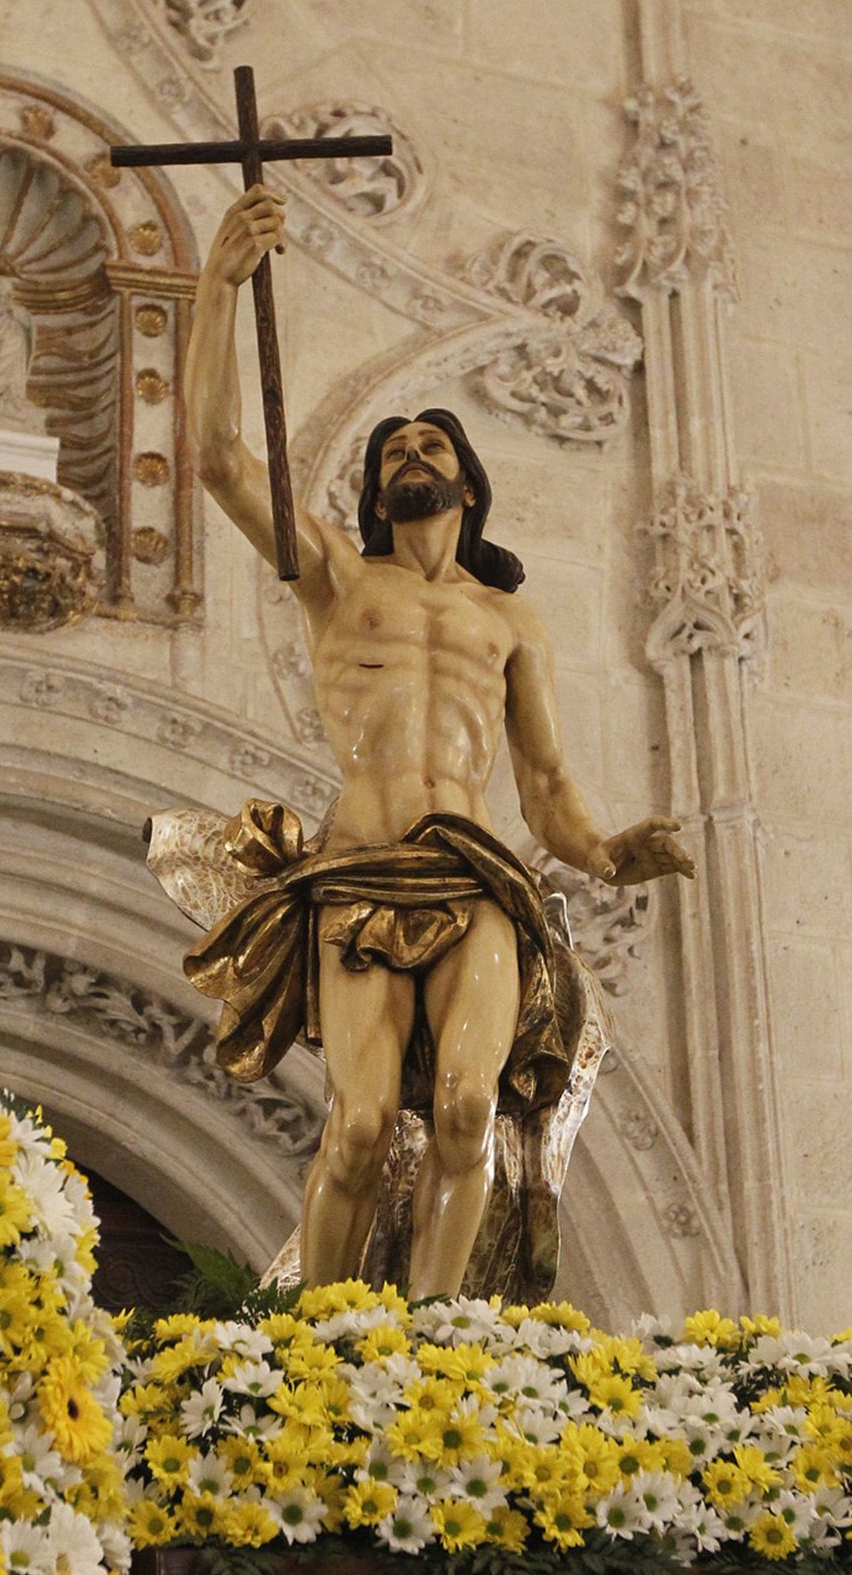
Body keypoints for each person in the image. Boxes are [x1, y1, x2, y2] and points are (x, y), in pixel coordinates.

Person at [179, 182, 692, 1297]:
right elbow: (219, 456)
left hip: (475, 873)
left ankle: (430, 1342)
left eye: (429, 442)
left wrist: (608, 853)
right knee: (359, 1125)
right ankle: (319, 1345)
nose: (410, 454)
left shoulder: (509, 618)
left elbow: (547, 780)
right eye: (392, 450)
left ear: (466, 482)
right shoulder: (332, 577)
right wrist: (218, 286)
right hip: (358, 866)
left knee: (466, 1112)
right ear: (373, 491)